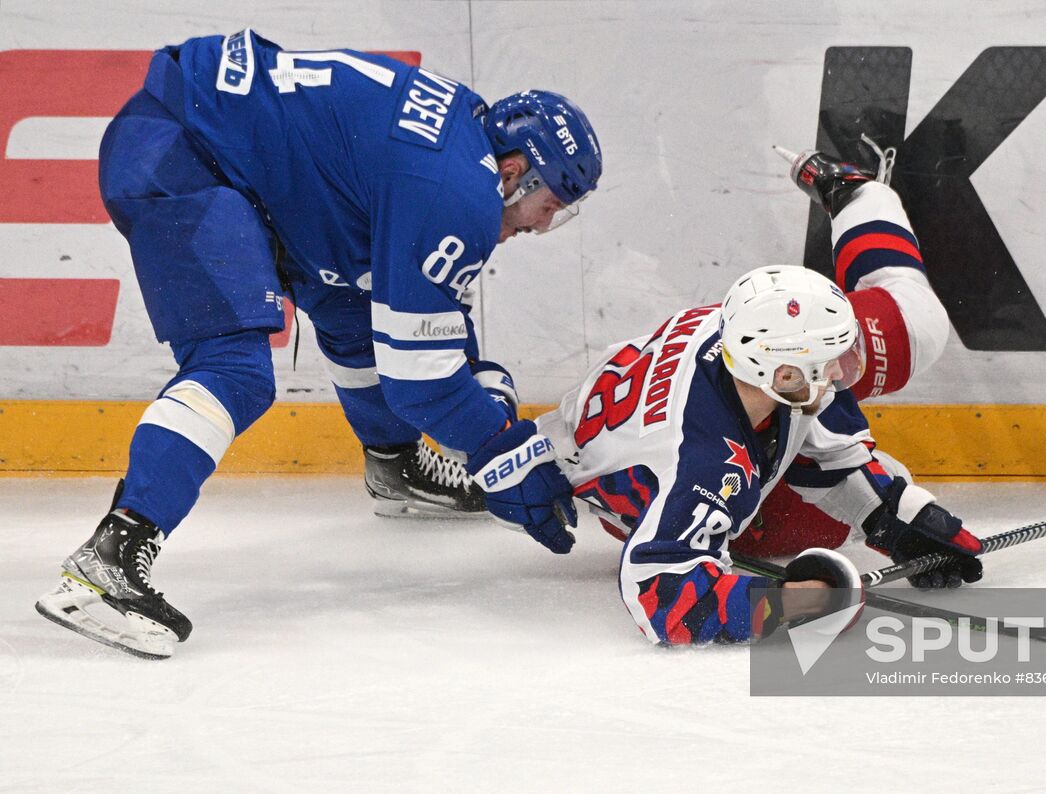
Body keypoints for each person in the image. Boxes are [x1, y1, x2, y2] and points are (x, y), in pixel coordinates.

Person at [35, 29, 600, 659]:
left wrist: (482, 412)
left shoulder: (461, 144)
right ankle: (106, 562)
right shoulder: (459, 194)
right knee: (235, 368)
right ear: (515, 173)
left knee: (353, 306)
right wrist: (502, 451)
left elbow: (419, 326)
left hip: (228, 153)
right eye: (550, 204)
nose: (544, 224)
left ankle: (395, 464)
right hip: (185, 155)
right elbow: (422, 378)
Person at [537, 257, 984, 645]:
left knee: (876, 465)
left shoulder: (751, 341)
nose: (841, 374)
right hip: (635, 489)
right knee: (817, 527)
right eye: (830, 361)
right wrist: (791, 606)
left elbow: (818, 435)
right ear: (784, 374)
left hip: (629, 420)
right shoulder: (701, 461)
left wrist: (897, 518)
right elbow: (663, 596)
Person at [732, 146, 957, 575]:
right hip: (748, 507)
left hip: (703, 495)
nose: (835, 374)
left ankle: (854, 195)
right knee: (888, 477)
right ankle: (855, 194)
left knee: (880, 474)